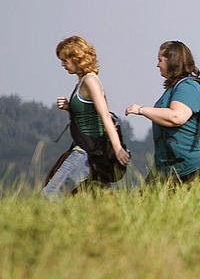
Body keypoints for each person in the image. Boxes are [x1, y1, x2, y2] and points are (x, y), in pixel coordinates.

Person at [42, 36, 132, 199]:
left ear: (77, 58)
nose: (62, 64)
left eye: (64, 60)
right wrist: (70, 107)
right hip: (88, 151)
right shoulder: (82, 80)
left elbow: (105, 116)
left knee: (49, 195)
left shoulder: (90, 81)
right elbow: (89, 112)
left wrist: (118, 148)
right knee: (94, 200)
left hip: (87, 151)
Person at [125, 40, 200, 183]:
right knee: (143, 201)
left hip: (196, 165)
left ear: (172, 61)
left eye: (160, 60)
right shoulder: (174, 89)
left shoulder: (188, 87)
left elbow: (177, 117)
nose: (157, 65)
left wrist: (141, 110)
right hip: (170, 166)